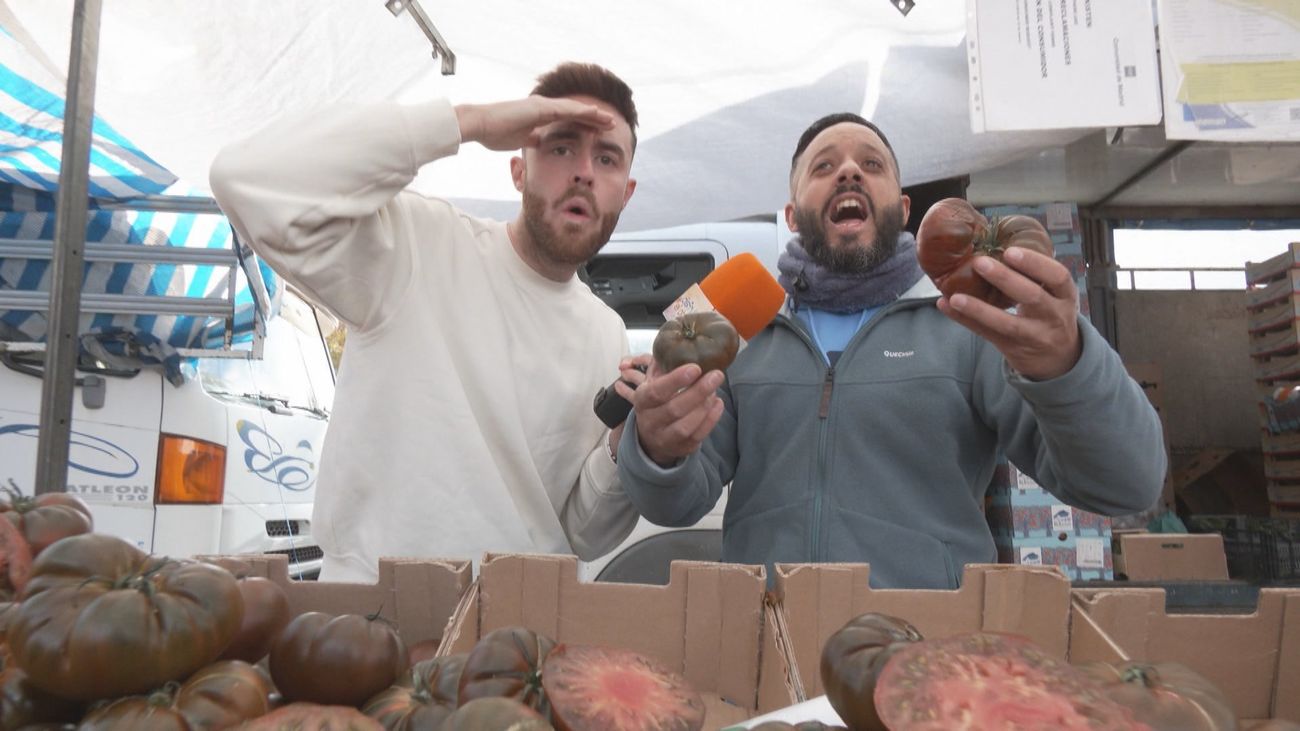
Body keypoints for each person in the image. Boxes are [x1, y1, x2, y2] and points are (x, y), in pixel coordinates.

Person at [617, 112, 1166, 589]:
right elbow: (674, 504)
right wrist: (657, 449)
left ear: (903, 209)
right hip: (769, 641)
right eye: (823, 166)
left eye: (871, 164)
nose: (849, 172)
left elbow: (1125, 486)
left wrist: (1068, 365)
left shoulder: (970, 326)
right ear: (791, 215)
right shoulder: (744, 335)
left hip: (923, 651)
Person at [210, 62, 650, 582]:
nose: (584, 172)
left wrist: (627, 446)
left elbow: (581, 533)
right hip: (374, 614)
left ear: (626, 193)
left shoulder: (606, 333)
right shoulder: (417, 243)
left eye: (606, 158)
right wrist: (467, 122)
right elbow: (243, 178)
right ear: (518, 171)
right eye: (561, 148)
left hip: (516, 620)